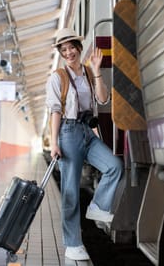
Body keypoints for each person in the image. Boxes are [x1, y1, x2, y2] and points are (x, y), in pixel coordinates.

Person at [46, 28, 123, 261]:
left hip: (88, 132)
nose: (69, 52)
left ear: (79, 49)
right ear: (61, 53)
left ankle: (98, 207)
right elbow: (55, 110)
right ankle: (72, 243)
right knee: (70, 190)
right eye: (64, 49)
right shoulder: (57, 77)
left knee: (114, 166)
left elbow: (102, 99)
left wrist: (98, 71)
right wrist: (53, 142)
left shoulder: (89, 73)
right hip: (68, 133)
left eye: (71, 47)